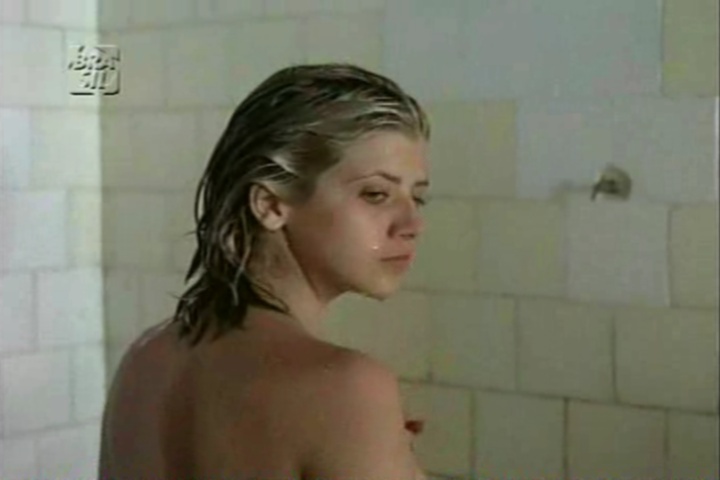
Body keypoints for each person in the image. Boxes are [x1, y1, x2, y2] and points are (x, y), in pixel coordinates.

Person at [98, 62, 431, 479]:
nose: (413, 224)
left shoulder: (146, 360)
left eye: (418, 198)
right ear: (271, 205)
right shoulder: (348, 389)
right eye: (376, 194)